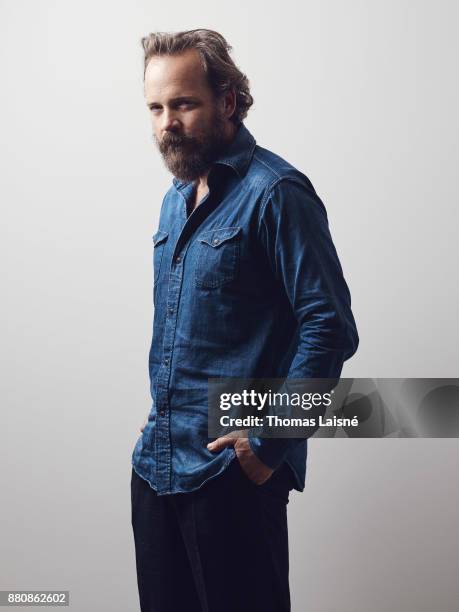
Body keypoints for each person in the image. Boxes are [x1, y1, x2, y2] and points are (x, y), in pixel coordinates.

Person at [130, 28, 359, 612]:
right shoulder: (175, 197)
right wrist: (164, 418)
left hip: (230, 473)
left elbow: (328, 327)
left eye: (183, 103)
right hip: (157, 469)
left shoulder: (276, 193)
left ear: (227, 101)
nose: (166, 124)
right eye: (156, 107)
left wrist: (267, 442)